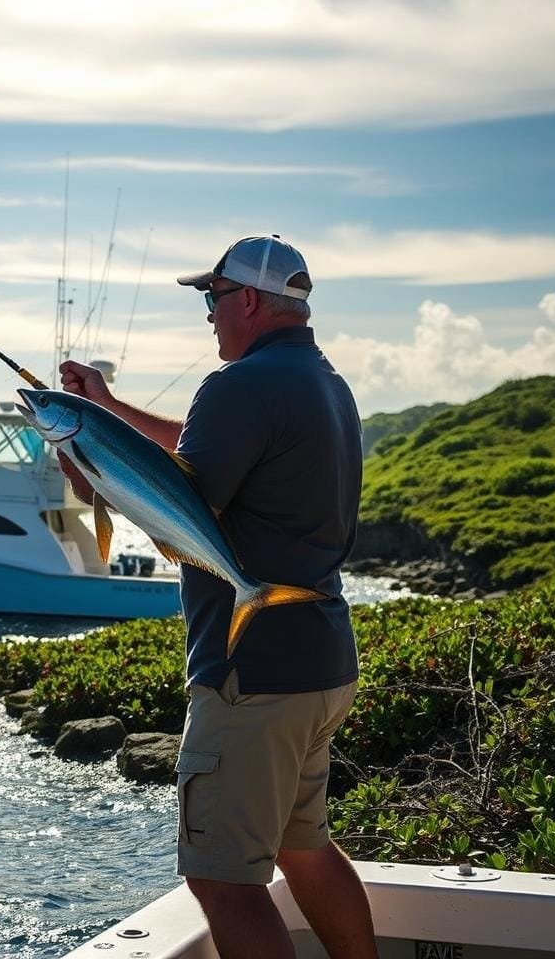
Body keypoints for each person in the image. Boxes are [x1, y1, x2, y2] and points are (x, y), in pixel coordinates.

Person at [58, 234, 377, 959]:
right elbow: (203, 456)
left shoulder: (237, 386)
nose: (208, 315)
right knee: (306, 849)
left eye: (213, 298)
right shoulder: (323, 383)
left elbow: (167, 507)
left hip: (250, 674)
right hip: (320, 661)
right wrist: (108, 408)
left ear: (250, 301)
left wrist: (84, 463)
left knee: (225, 884)